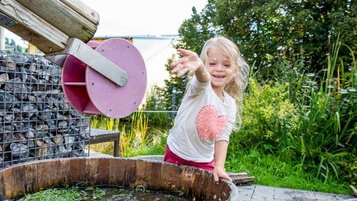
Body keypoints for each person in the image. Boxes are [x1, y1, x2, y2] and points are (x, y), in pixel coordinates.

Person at [164, 36, 250, 182]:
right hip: (177, 154)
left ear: (235, 70)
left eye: (227, 65)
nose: (219, 69)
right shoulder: (198, 88)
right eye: (212, 63)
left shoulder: (229, 104)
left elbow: (223, 136)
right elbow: (203, 79)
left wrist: (219, 166)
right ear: (204, 65)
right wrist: (199, 68)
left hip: (204, 160)